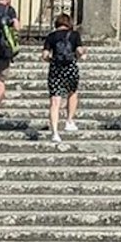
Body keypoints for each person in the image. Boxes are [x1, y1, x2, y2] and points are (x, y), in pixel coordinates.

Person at [41, 12, 83, 144]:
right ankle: (69, 121)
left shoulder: (51, 36)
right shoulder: (75, 35)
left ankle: (54, 132)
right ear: (69, 23)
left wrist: (51, 60)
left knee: (55, 101)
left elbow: (44, 55)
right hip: (70, 68)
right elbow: (79, 51)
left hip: (55, 68)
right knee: (72, 93)